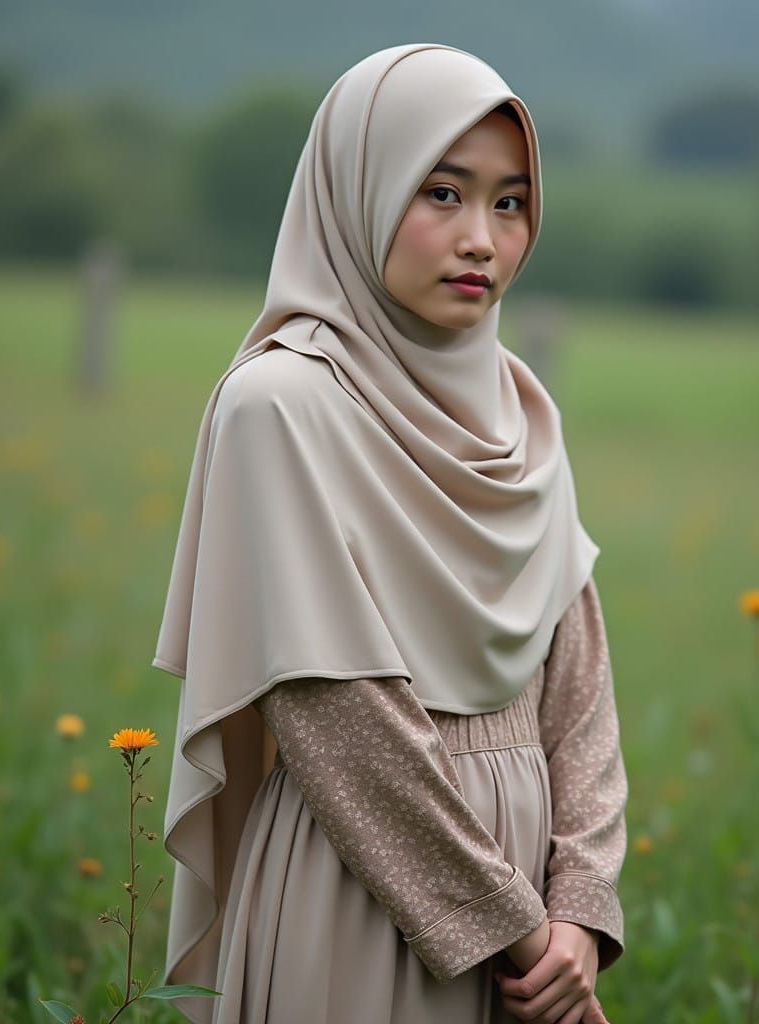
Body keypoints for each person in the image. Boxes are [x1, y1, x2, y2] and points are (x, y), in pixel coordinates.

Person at [151, 42, 628, 1024]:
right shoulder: (280, 406)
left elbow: (578, 684)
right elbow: (334, 712)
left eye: (509, 202)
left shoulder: (521, 412)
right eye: (441, 193)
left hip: (538, 925)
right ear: (356, 189)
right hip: (358, 891)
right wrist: (518, 928)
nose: (481, 240)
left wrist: (579, 906)